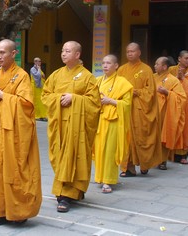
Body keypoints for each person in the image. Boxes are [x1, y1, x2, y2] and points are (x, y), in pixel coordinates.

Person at [0, 39, 41, 226]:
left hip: (16, 134)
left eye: (3, 52)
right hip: (0, 130)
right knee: (0, 171)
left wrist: (4, 97)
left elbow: (27, 105)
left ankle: (19, 212)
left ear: (13, 54)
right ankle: (1, 211)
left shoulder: (22, 76)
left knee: (16, 171)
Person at [42, 41, 99, 212]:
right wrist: (59, 98)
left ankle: (65, 195)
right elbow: (45, 95)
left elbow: (95, 102)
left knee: (76, 155)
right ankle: (73, 191)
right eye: (62, 51)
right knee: (59, 157)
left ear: (77, 54)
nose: (63, 54)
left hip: (77, 128)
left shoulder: (88, 77)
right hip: (59, 126)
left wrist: (75, 98)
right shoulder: (56, 75)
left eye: (67, 51)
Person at [117, 43, 162, 177]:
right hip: (126, 108)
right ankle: (128, 167)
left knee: (142, 137)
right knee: (127, 138)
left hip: (140, 110)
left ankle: (144, 163)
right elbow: (116, 87)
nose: (129, 54)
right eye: (127, 52)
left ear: (139, 53)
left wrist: (135, 92)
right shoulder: (121, 69)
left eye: (132, 51)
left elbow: (150, 92)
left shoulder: (146, 69)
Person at [93, 55, 133, 194]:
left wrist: (110, 101)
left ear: (116, 66)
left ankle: (108, 180)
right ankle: (100, 177)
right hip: (99, 120)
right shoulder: (97, 81)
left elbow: (127, 104)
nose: (105, 65)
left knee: (110, 150)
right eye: (103, 63)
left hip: (113, 121)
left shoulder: (122, 83)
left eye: (108, 63)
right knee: (99, 149)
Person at [153, 56, 187, 170]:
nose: (155, 66)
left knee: (163, 136)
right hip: (151, 112)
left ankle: (163, 160)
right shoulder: (152, 77)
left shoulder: (173, 80)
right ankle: (151, 159)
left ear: (164, 67)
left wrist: (167, 92)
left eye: (157, 64)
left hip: (165, 113)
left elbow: (182, 98)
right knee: (151, 136)